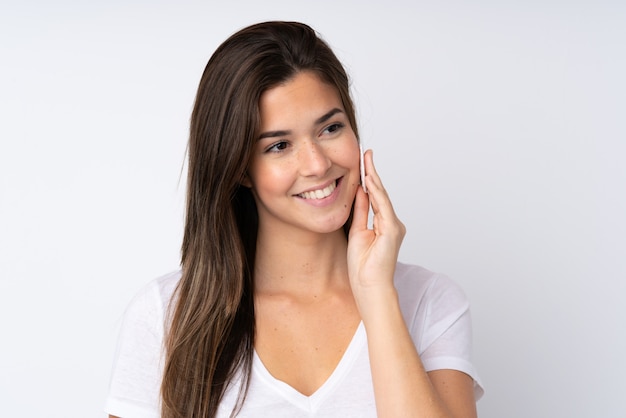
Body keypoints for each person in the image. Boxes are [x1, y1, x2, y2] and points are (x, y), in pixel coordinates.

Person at [105, 21, 483, 418]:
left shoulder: (430, 303)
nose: (318, 164)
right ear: (238, 168)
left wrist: (376, 295)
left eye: (331, 128)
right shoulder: (167, 316)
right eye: (280, 145)